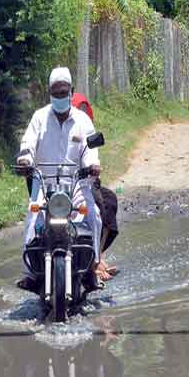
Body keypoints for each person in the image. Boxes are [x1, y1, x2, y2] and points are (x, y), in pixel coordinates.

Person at [15, 67, 103, 293]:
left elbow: (90, 149)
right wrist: (25, 161)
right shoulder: (39, 118)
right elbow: (27, 145)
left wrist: (92, 166)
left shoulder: (83, 120)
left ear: (71, 92)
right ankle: (30, 274)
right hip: (44, 183)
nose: (60, 97)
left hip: (75, 183)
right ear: (49, 94)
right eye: (56, 93)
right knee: (33, 220)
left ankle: (92, 269)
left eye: (64, 93)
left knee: (93, 217)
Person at [70, 92, 118, 282]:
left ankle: (97, 257)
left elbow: (91, 152)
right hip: (56, 184)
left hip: (83, 181)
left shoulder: (84, 126)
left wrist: (92, 168)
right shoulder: (49, 125)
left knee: (105, 203)